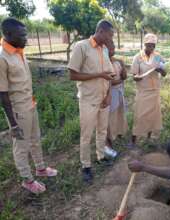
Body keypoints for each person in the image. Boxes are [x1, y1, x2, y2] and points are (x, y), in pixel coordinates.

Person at [0, 18, 57, 194]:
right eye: (22, 35)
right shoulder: (2, 58)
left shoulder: (19, 51)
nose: (26, 38)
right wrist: (14, 124)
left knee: (35, 139)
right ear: (8, 34)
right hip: (18, 110)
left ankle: (40, 168)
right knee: (21, 146)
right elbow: (2, 93)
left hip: (30, 104)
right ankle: (27, 179)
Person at [68, 20, 115, 183]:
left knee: (102, 130)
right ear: (101, 31)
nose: (111, 38)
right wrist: (98, 75)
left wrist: (109, 94)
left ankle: (101, 156)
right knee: (86, 134)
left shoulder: (104, 50)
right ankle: (86, 166)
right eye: (110, 34)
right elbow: (72, 74)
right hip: (88, 100)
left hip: (103, 98)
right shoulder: (82, 47)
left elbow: (109, 75)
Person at [129, 33, 166, 147]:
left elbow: (164, 73)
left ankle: (149, 138)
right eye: (148, 45)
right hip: (143, 92)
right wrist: (138, 77)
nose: (150, 48)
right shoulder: (137, 57)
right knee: (139, 117)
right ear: (144, 44)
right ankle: (133, 140)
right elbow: (134, 76)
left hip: (154, 91)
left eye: (153, 46)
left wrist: (161, 71)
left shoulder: (158, 57)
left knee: (153, 117)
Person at [105, 40, 128, 152]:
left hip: (119, 92)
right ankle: (110, 137)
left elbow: (125, 76)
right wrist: (119, 81)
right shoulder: (104, 63)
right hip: (110, 93)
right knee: (111, 115)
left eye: (113, 49)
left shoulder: (118, 61)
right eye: (110, 49)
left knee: (120, 112)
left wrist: (123, 66)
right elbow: (108, 82)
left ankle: (119, 133)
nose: (112, 51)